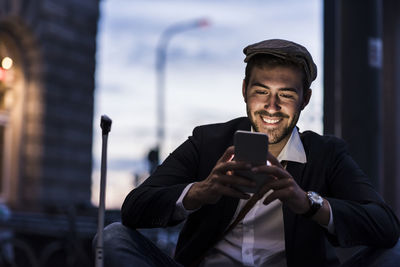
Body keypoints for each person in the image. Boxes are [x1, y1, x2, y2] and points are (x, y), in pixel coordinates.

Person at [101, 39, 400, 267]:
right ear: (244, 90)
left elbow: (386, 226)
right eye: (261, 91)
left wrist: (308, 202)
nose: (272, 106)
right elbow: (134, 209)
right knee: (113, 237)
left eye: (286, 94)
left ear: (305, 100)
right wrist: (200, 192)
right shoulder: (208, 141)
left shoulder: (325, 154)